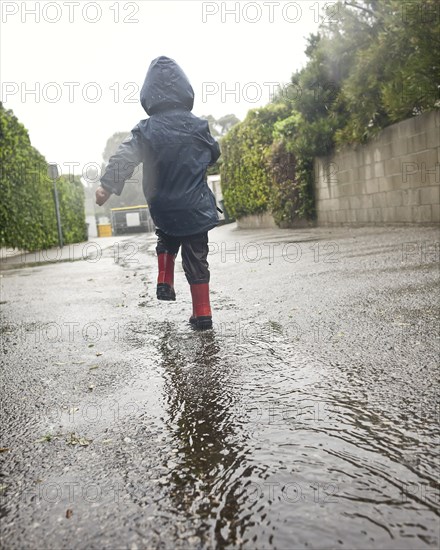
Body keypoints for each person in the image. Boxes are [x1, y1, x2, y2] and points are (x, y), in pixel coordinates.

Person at [95, 56, 220, 330]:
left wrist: (107, 186)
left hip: (163, 205)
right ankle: (202, 312)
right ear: (185, 90)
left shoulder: (146, 129)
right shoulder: (198, 126)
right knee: (196, 255)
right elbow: (215, 152)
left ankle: (165, 277)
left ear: (148, 93)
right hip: (195, 205)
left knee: (167, 236)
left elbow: (125, 156)